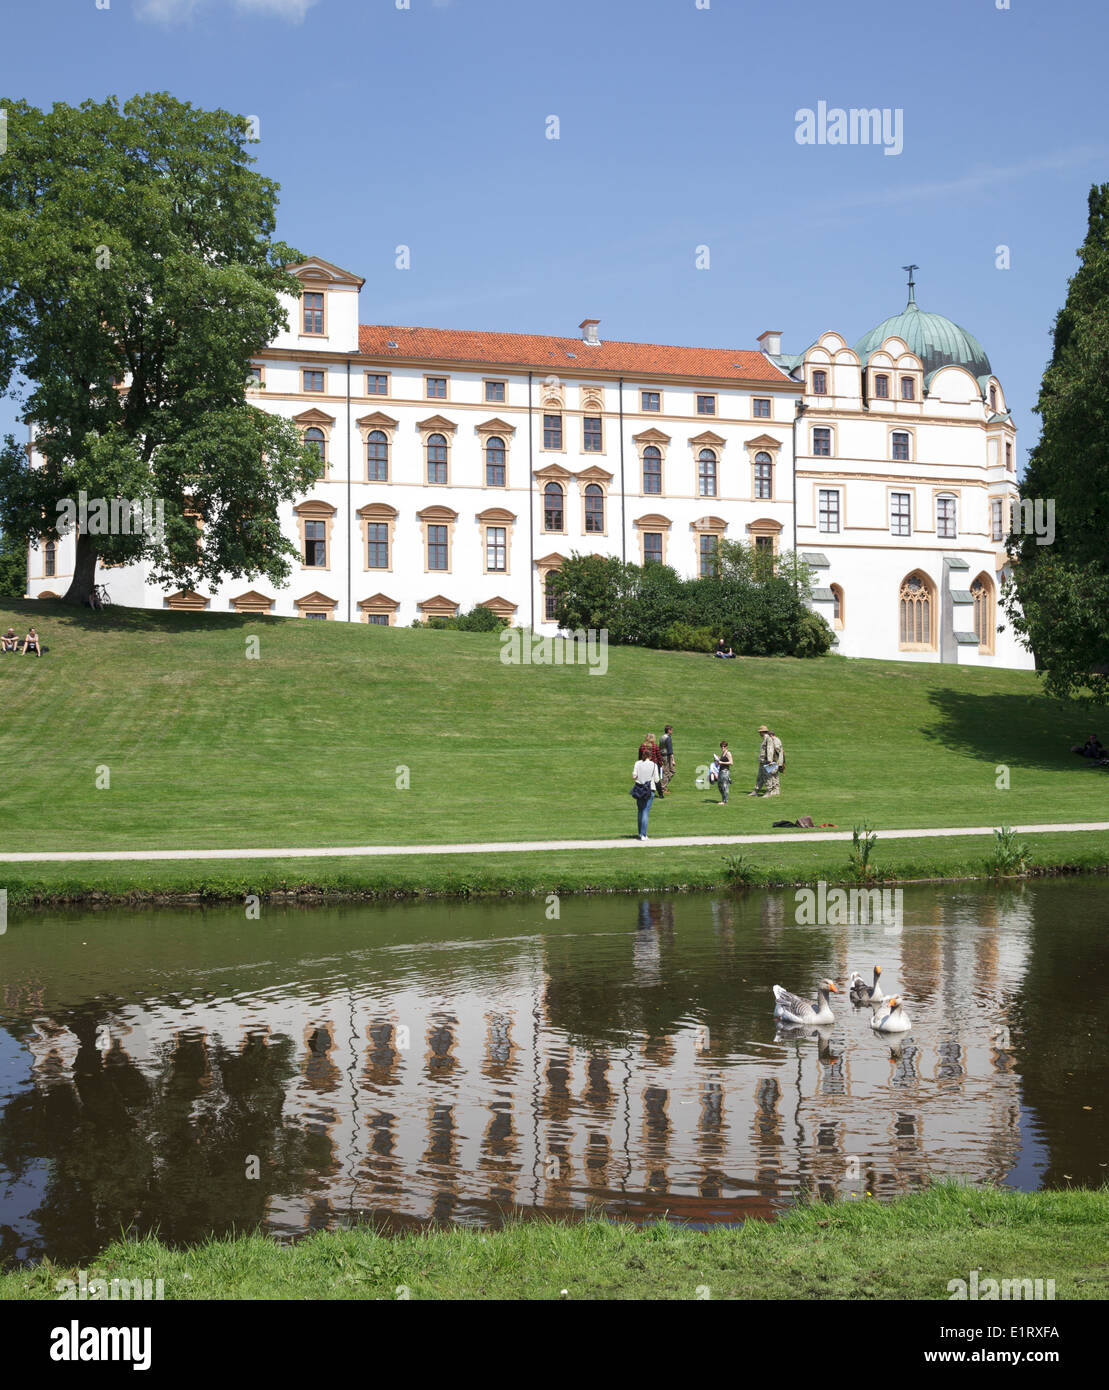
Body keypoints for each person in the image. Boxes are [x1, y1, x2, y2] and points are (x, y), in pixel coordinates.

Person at [631, 746, 661, 840]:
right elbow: (656, 779)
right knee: (645, 811)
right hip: (649, 789)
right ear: (651, 756)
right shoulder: (653, 765)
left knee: (640, 811)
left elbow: (634, 776)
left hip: (639, 788)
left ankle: (640, 833)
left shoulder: (637, 763)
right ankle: (644, 834)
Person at [749, 724, 777, 795]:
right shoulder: (765, 739)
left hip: (767, 761)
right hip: (762, 761)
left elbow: (770, 749)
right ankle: (756, 790)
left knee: (767, 777)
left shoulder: (768, 739)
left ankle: (768, 791)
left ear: (762, 732)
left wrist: (770, 760)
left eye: (760, 732)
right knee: (760, 776)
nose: (759, 734)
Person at [659, 725, 675, 796]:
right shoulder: (668, 738)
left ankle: (663, 786)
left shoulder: (662, 737)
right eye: (671, 730)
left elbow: (660, 747)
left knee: (666, 772)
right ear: (668, 730)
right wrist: (673, 760)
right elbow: (670, 751)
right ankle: (662, 787)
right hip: (667, 757)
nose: (672, 731)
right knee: (670, 772)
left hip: (662, 756)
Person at [716, 740, 733, 804]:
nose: (723, 748)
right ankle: (723, 799)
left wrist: (721, 762)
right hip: (721, 771)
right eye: (721, 746)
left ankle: (725, 801)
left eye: (724, 746)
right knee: (720, 786)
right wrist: (718, 759)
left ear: (726, 746)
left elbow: (731, 763)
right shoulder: (722, 753)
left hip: (725, 772)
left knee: (725, 786)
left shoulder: (728, 753)